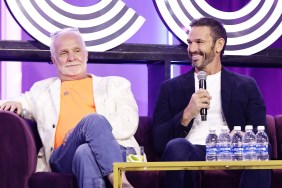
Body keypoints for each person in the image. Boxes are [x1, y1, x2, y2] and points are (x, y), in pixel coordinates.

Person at [0, 27, 139, 188]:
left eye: (77, 50)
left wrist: (84, 132)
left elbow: (129, 122)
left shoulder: (116, 85)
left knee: (85, 151)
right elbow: (11, 102)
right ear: (53, 59)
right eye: (64, 53)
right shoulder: (41, 90)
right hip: (63, 156)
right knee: (91, 121)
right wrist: (13, 104)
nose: (72, 57)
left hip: (117, 150)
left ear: (86, 55)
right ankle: (120, 181)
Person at [152, 17, 271, 188]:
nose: (192, 49)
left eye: (199, 42)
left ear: (219, 45)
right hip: (191, 150)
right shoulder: (170, 88)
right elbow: (158, 142)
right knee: (177, 146)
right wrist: (186, 115)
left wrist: (239, 137)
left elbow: (261, 132)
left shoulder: (246, 86)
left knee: (261, 150)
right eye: (189, 42)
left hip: (231, 151)